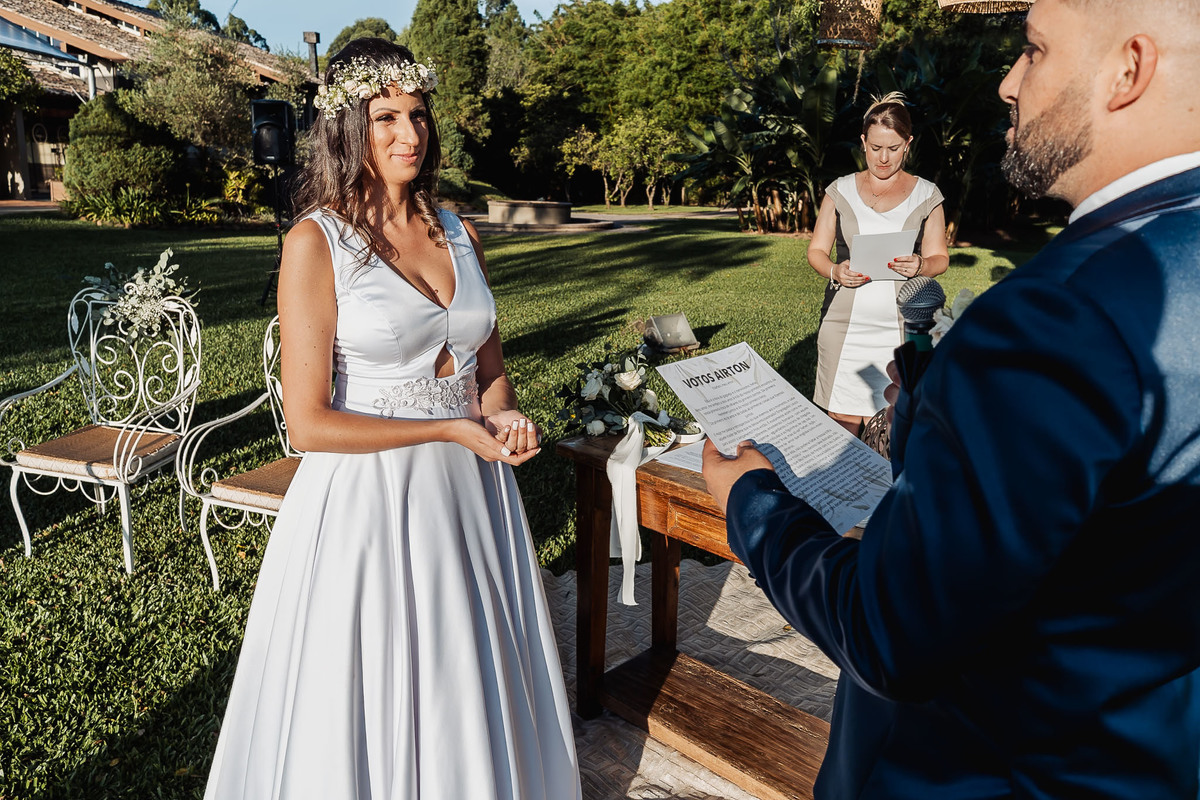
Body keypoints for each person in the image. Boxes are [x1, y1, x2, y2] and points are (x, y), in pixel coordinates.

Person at [702, 1, 1200, 797]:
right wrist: (943, 409)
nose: (1006, 82)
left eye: (1033, 51)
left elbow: (892, 633)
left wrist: (754, 503)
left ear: (1129, 69)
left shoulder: (1057, 313)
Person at [204, 38, 581, 799]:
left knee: (469, 677)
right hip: (368, 509)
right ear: (349, 128)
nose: (410, 134)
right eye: (386, 118)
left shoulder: (461, 232)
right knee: (375, 684)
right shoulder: (317, 242)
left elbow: (490, 375)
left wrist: (507, 420)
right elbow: (306, 425)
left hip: (472, 500)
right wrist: (447, 429)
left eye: (417, 115)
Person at [807, 93, 949, 436]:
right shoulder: (839, 191)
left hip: (901, 331)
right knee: (840, 436)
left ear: (908, 144)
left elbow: (940, 259)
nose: (883, 158)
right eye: (875, 148)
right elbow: (816, 251)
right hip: (843, 327)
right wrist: (834, 270)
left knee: (893, 433)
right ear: (863, 142)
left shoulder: (927, 194)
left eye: (894, 148)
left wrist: (920, 265)